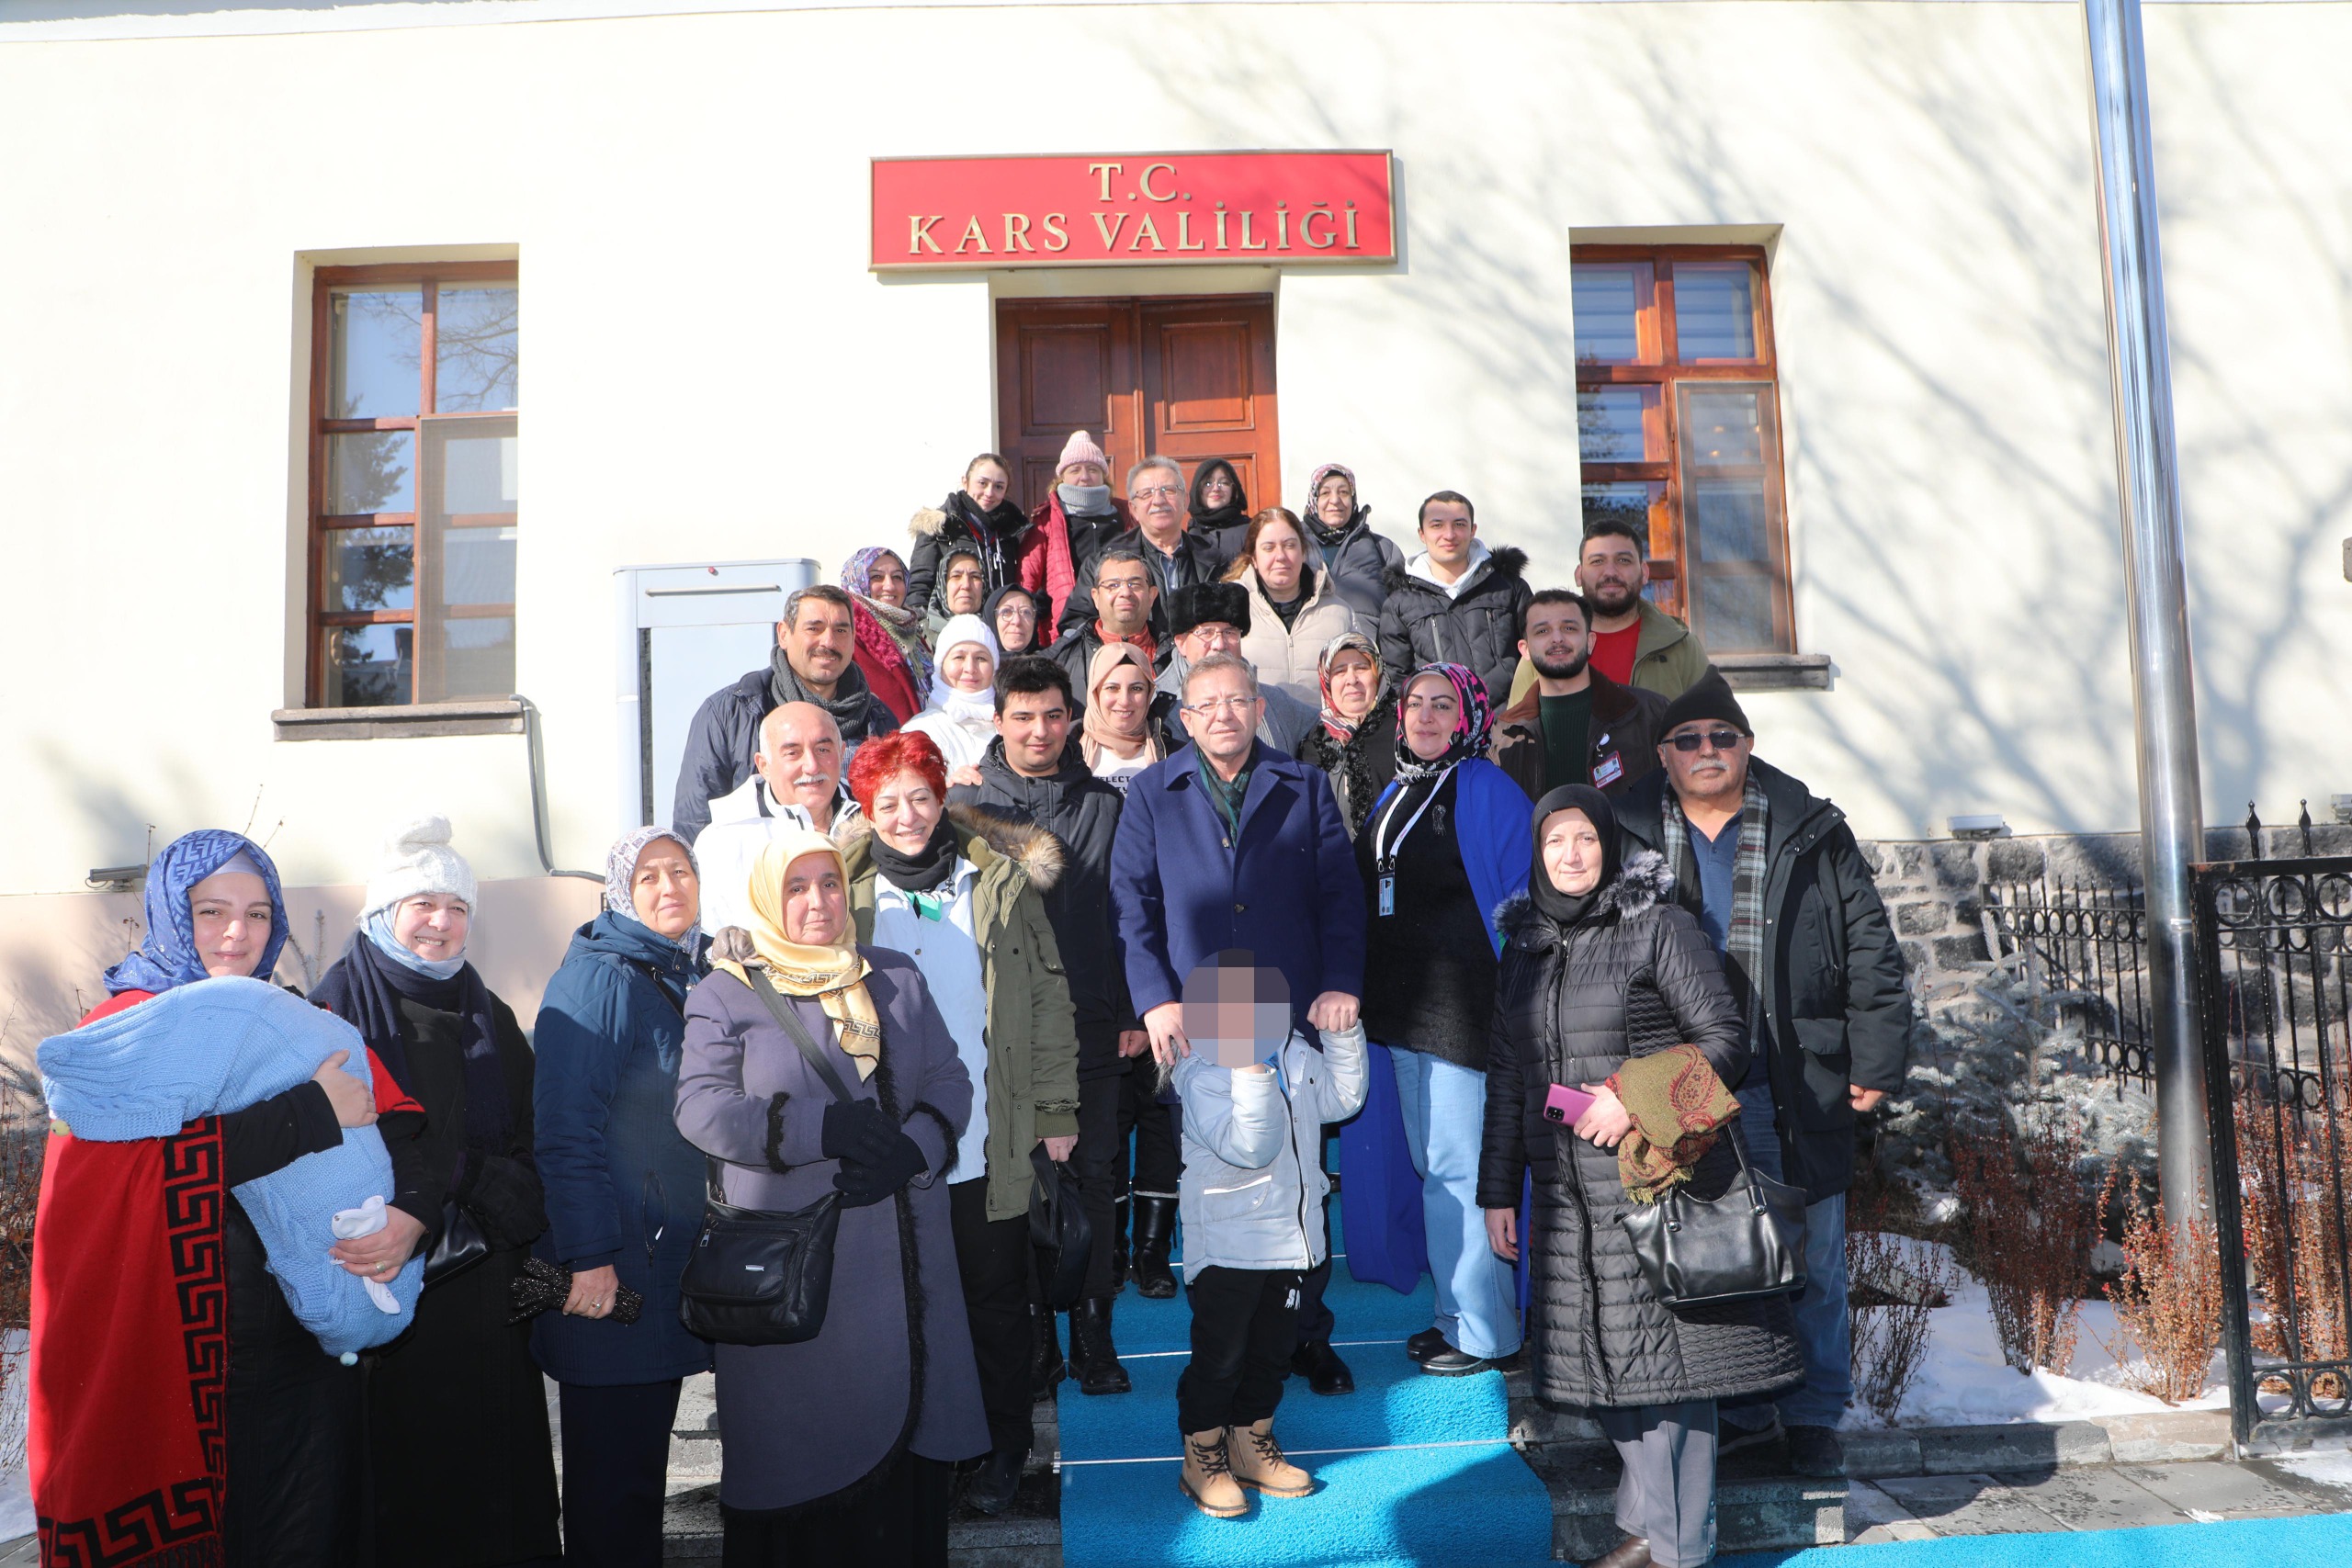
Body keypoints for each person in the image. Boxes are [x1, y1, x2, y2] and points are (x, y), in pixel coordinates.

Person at [30, 830, 401, 1568]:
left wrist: (409, 1221)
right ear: (172, 914)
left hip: (300, 1362)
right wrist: (308, 1112)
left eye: (258, 914)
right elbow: (122, 1181)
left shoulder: (290, 1025)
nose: (238, 932)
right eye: (212, 911)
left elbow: (402, 1127)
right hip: (179, 1364)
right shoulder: (119, 1035)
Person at [1480, 785, 1803, 1568]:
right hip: (1566, 1200)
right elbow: (1509, 1077)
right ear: (1537, 853)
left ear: (1610, 845)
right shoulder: (1522, 951)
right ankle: (1647, 1528)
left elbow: (1727, 1041)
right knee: (1613, 1377)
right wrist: (1496, 1189)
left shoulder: (1658, 926)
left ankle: (1677, 1548)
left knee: (1670, 1383)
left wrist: (1631, 1097)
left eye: (1586, 838)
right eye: (1556, 841)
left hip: (1658, 1183)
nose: (1572, 854)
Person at [1613, 670, 1912, 1479]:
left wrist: (1876, 1057)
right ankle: (1743, 1409)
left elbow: (1869, 947)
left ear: (1748, 745)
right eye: (1688, 739)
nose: (1706, 749)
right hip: (1679, 1080)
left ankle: (1812, 1416)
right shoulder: (1624, 830)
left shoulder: (1810, 829)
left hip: (1793, 1073)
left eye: (1723, 736)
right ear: (1664, 754)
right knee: (1716, 1256)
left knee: (1813, 1261)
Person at [673, 830, 988, 1564]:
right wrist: (820, 1128)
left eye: (830, 883)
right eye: (796, 886)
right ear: (764, 897)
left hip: (908, 1277)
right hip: (803, 1285)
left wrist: (916, 1147)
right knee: (803, 1484)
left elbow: (950, 1077)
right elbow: (700, 1108)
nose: (817, 901)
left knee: (903, 1503)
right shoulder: (726, 991)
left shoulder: (895, 974)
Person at [1111, 651, 1365, 1397]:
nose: (1223, 713)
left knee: (1300, 1173)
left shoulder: (1304, 784)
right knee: (1222, 1177)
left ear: (1259, 708)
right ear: (1185, 719)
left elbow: (1340, 895)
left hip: (1292, 1010)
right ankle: (1227, 1340)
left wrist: (1342, 983)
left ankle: (1306, 1333)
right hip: (1199, 1014)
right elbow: (1131, 903)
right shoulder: (1152, 792)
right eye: (1207, 703)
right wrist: (1154, 998)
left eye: (1237, 700)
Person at [311, 816, 562, 1566]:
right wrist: (469, 1174)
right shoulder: (333, 1011)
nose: (441, 922)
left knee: (495, 1498)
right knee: (405, 1503)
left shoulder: (490, 1015)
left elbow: (531, 1137)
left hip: (486, 1291)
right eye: (423, 903)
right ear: (384, 910)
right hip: (391, 1288)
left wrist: (508, 1184)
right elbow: (341, 1144)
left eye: (457, 908)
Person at [840, 731, 1080, 1512]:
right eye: (887, 802)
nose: (906, 815)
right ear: (866, 811)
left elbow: (1046, 997)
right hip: (892, 1138)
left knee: (994, 1296)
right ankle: (920, 1447)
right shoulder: (843, 892)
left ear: (943, 797)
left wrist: (1055, 1109)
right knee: (905, 1300)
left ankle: (1006, 1444)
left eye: (920, 796)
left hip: (988, 1132)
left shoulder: (997, 881)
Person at [947, 658, 1163, 1390]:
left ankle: (1094, 1332)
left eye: (1051, 715)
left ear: (1071, 719)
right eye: (1022, 716)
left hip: (1091, 1022)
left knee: (1096, 1175)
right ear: (998, 720)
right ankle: (1037, 1333)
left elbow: (1133, 910)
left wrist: (1133, 1008)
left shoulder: (1106, 803)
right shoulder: (965, 807)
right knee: (1019, 1178)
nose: (1038, 730)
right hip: (1000, 1030)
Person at [531, 828, 714, 1568]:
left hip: (657, 1261)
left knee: (637, 1480)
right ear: (620, 892)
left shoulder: (682, 969)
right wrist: (589, 1256)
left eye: (681, 870)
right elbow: (565, 1129)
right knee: (614, 1491)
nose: (670, 886)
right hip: (612, 1273)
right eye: (649, 875)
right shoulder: (600, 978)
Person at [1351, 664, 1532, 1377]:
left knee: (1460, 1170)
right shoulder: (1399, 787)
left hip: (1465, 1013)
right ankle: (1454, 1313)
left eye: (1442, 705)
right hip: (1404, 1014)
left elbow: (1522, 902)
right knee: (1434, 1168)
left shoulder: (1488, 789)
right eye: (1415, 704)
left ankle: (1489, 1334)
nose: (1425, 716)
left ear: (1469, 716)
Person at [1168, 956, 1368, 1519]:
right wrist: (1250, 1068)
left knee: (1273, 1353)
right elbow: (1250, 1147)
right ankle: (1202, 1453)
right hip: (1229, 1248)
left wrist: (1341, 1035)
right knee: (1221, 1356)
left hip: (1289, 1243)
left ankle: (1250, 1442)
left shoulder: (1296, 1054)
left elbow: (1343, 1100)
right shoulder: (1204, 1073)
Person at [672, 584, 899, 844]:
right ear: (783, 634)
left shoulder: (877, 718)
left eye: (840, 630)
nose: (828, 642)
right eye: (814, 628)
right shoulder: (730, 714)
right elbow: (696, 824)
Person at [1506, 516, 1711, 709]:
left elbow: (1712, 724)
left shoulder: (1681, 646)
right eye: (1597, 561)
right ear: (1579, 575)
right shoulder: (1543, 649)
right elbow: (1515, 728)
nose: (1611, 572)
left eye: (1623, 560)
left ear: (1644, 572)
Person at [695, 704, 863, 933]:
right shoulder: (722, 842)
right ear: (764, 766)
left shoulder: (883, 821)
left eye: (823, 750)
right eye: (793, 753)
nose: (812, 766)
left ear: (842, 753)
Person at [1490, 591, 1668, 801]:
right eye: (1542, 631)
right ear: (1525, 649)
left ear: (1590, 641)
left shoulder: (1649, 715)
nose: (1557, 639)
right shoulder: (1503, 736)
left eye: (1569, 628)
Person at [1377, 491, 1532, 708]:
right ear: (1422, 534)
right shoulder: (1401, 603)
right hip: (1437, 723)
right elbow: (1398, 679)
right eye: (1437, 525)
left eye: (1459, 524)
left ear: (1473, 530)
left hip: (1507, 719)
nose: (1449, 535)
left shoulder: (1508, 587)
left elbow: (1534, 655)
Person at [1059, 456, 1220, 638]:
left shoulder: (1215, 559)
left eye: (1168, 490)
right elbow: (1075, 623)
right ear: (1133, 509)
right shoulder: (1104, 562)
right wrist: (1115, 649)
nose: (1158, 500)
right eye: (1146, 494)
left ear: (1185, 501)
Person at [1149, 583, 1319, 757]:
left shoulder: (1275, 700)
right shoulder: (1156, 706)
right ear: (1181, 643)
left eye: (1229, 632)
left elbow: (1320, 726)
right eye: (1206, 633)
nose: (1219, 644)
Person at [1227, 507, 1363, 708]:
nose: (1280, 556)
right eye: (1269, 548)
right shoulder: (1231, 611)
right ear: (1253, 558)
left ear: (1303, 552)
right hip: (1257, 727)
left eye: (1289, 545)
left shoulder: (1339, 613)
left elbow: (1363, 678)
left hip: (1323, 727)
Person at [1019, 430, 1136, 633]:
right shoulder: (1046, 519)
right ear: (1062, 477)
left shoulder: (1127, 514)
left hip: (1123, 625)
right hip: (1067, 630)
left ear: (1103, 475)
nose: (1084, 477)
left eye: (1092, 469)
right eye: (1075, 470)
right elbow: (1026, 580)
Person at [1295, 632, 1396, 839]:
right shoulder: (1314, 743)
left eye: (1361, 668)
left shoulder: (1403, 734)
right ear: (1326, 681)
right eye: (1340, 671)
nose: (1352, 679)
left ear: (1377, 674)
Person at [910, 452, 1031, 617]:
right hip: (949, 628)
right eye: (982, 483)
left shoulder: (1010, 532)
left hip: (999, 628)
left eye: (998, 487)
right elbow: (920, 587)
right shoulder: (939, 527)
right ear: (965, 482)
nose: (989, 493)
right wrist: (921, 625)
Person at [1046, 544, 1160, 698]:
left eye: (1135, 584)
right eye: (1113, 585)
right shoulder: (1060, 659)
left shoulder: (1175, 655)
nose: (1125, 592)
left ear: (1152, 595)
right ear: (1096, 597)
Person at [839, 547, 934, 724]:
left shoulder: (912, 630)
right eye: (877, 577)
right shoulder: (848, 633)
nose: (890, 586)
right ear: (856, 580)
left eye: (897, 577)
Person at [1298, 462, 1405, 620]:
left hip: (1367, 636)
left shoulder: (1383, 549)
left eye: (1343, 492)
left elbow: (1403, 611)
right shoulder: (1294, 545)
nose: (1335, 500)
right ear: (1314, 499)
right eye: (1325, 493)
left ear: (1353, 498)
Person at [904, 615, 1000, 774]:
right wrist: (950, 786)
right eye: (959, 657)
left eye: (981, 658)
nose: (970, 668)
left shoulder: (1012, 724)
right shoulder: (919, 733)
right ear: (940, 666)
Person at [1079, 641, 1162, 794]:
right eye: (1112, 688)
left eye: (1136, 688)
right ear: (1095, 693)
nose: (1124, 701)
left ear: (1149, 693)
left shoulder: (1172, 753)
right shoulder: (1067, 751)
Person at [1187, 457, 1251, 570]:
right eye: (1208, 483)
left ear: (1233, 489)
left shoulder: (1251, 530)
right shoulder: (1188, 536)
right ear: (1198, 490)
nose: (1216, 488)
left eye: (1224, 482)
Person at [934, 545, 990, 626]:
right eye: (956, 576)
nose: (966, 585)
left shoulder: (1001, 631)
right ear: (943, 584)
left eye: (975, 577)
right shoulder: (921, 632)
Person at [986, 583, 1042, 659]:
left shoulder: (1051, 663)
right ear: (991, 619)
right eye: (1006, 611)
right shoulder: (974, 664)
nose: (1017, 621)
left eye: (1026, 612)